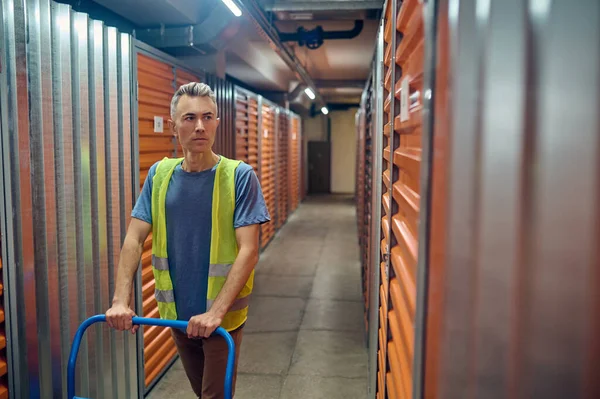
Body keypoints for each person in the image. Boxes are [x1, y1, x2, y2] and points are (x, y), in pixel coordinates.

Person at [105, 82, 270, 398]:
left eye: (208, 117)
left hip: (222, 320)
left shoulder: (239, 176)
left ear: (217, 123)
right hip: (178, 317)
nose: (199, 126)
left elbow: (249, 251)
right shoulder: (159, 175)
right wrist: (120, 301)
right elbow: (133, 239)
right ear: (174, 125)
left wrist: (215, 313)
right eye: (189, 118)